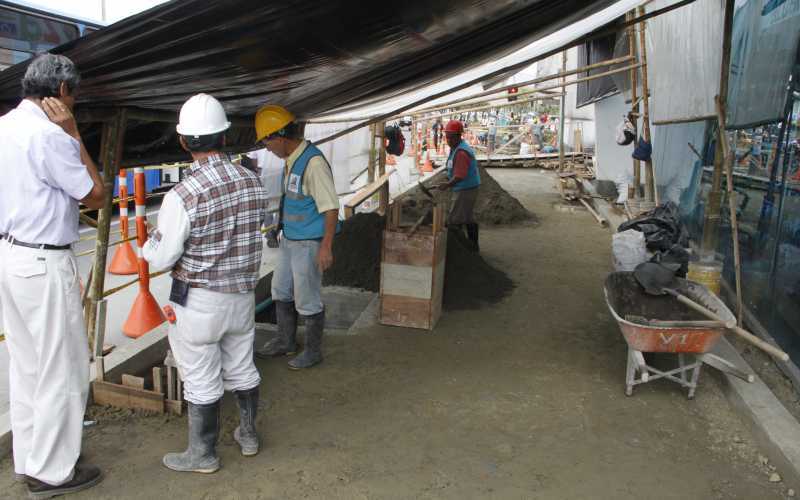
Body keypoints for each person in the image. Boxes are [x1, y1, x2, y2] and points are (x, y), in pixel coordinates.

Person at [143, 93, 267, 473]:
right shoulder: (252, 181)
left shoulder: (182, 195)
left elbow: (162, 256)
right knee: (242, 366)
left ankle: (203, 454)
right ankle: (248, 436)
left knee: (200, 377)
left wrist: (151, 242)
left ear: (183, 142)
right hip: (242, 296)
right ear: (225, 137)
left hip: (198, 301)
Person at [0, 53, 105, 498]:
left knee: (27, 367)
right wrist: (74, 133)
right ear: (62, 93)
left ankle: (32, 458)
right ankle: (53, 472)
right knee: (62, 370)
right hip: (44, 261)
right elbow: (96, 195)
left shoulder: (3, 126)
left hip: (9, 256)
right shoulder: (51, 135)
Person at [253, 105, 341, 369]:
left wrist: (326, 247)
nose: (267, 148)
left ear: (279, 136)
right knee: (280, 289)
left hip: (309, 243)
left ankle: (313, 351)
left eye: (267, 142)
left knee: (307, 297)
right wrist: (277, 227)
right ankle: (285, 340)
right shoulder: (290, 161)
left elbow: (331, 207)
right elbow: (291, 201)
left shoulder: (313, 163)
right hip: (290, 240)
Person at [437, 119, 482, 251]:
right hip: (467, 187)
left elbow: (460, 175)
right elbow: (453, 169)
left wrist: (447, 184)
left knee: (454, 221)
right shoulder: (456, 148)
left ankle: (460, 252)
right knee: (467, 217)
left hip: (465, 189)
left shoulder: (461, 152)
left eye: (451, 138)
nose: (448, 140)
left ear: (458, 136)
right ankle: (473, 247)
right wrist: (447, 178)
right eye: (447, 137)